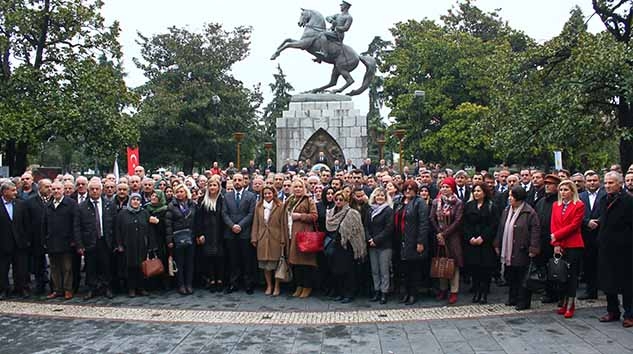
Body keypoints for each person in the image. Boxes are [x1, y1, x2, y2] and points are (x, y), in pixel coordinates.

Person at [495, 186, 541, 311]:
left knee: (522, 277)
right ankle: (512, 298)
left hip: (522, 249)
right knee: (511, 275)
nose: (509, 198)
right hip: (508, 249)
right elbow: (501, 228)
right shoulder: (506, 210)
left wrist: (533, 248)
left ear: (519, 198)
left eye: (512, 196)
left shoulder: (529, 212)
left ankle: (523, 301)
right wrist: (497, 244)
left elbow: (535, 231)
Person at [597, 172, 633, 327]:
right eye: (605, 183)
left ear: (620, 184)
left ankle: (629, 314)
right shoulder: (604, 200)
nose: (607, 186)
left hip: (624, 249)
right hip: (606, 248)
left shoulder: (628, 201)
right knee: (608, 282)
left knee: (627, 284)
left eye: (611, 183)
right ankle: (612, 311)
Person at [550, 180, 585, 318]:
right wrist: (556, 243)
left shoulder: (579, 205)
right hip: (559, 244)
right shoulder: (555, 205)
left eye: (566, 189)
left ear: (572, 191)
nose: (563, 192)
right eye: (561, 190)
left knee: (571, 276)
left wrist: (556, 235)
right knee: (561, 275)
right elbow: (553, 223)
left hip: (573, 244)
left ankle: (570, 304)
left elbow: (574, 225)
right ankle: (563, 301)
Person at [78, 180, 116, 300]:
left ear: (101, 190)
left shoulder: (109, 204)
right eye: (92, 189)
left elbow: (114, 224)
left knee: (106, 265)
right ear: (88, 191)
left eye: (97, 189)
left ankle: (107, 287)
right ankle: (91, 288)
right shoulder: (82, 207)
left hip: (105, 240)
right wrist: (80, 244)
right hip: (89, 241)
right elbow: (77, 226)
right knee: (91, 266)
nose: (95, 191)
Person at [392, 180, 429, 305]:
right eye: (406, 189)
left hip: (413, 240)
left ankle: (413, 294)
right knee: (404, 270)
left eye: (411, 189)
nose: (408, 191)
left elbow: (424, 224)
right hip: (399, 240)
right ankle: (406, 292)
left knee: (414, 270)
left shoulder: (420, 202)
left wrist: (420, 242)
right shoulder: (399, 202)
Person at [326, 190, 366, 303]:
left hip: (348, 246)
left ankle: (349, 294)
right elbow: (329, 227)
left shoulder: (352, 213)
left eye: (341, 200)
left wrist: (357, 246)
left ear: (346, 201)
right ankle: (340, 292)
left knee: (349, 272)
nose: (338, 202)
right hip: (336, 246)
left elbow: (358, 231)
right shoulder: (331, 213)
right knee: (337, 271)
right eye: (336, 199)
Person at [462, 182, 498, 304]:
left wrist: (483, 237)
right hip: (472, 243)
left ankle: (484, 293)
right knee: (474, 268)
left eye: (479, 191)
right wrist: (470, 237)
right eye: (475, 191)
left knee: (485, 269)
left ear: (484, 192)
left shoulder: (491, 206)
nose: (476, 193)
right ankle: (476, 291)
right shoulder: (469, 206)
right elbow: (465, 224)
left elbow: (493, 225)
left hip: (485, 243)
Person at [44, 181, 80, 300]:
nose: (56, 191)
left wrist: (74, 240)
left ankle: (68, 289)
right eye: (53, 189)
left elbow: (75, 224)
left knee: (67, 268)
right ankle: (57, 289)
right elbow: (44, 224)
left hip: (67, 242)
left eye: (58, 189)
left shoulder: (71, 204)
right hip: (52, 242)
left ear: (63, 190)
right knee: (54, 268)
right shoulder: (48, 205)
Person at [430, 177, 464, 305]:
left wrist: (445, 234)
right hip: (439, 237)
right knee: (441, 263)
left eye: (447, 187)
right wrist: (439, 233)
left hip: (452, 237)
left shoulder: (458, 203)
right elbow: (431, 218)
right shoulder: (436, 202)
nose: (444, 189)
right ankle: (443, 289)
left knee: (453, 265)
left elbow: (458, 221)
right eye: (443, 187)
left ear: (452, 188)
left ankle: (454, 291)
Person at [222, 173, 257, 294]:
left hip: (245, 232)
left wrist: (240, 225)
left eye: (239, 180)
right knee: (233, 260)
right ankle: (233, 283)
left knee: (247, 260)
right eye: (235, 180)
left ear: (244, 182)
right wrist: (232, 226)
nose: (237, 182)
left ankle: (248, 284)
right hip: (230, 233)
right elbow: (224, 213)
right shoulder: (226, 196)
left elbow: (251, 214)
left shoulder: (251, 196)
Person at [114, 193, 154, 297]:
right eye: (133, 199)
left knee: (141, 267)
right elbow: (117, 230)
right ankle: (131, 288)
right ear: (130, 201)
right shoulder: (122, 214)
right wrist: (119, 244)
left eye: (138, 200)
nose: (135, 201)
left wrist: (150, 244)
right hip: (128, 245)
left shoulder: (144, 213)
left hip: (141, 245)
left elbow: (149, 230)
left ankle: (141, 287)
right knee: (130, 267)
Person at [285, 179, 319, 299]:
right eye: (296, 187)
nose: (298, 189)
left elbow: (315, 216)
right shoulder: (290, 200)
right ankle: (299, 285)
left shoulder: (309, 200)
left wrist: (300, 216)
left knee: (306, 263)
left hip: (305, 235)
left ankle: (307, 286)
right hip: (292, 234)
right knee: (296, 263)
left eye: (300, 186)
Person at [250, 186, 287, 296]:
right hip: (262, 237)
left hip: (275, 237)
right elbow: (255, 223)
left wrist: (283, 239)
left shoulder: (280, 206)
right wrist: (254, 237)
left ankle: (277, 286)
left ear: (274, 194)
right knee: (265, 264)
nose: (267, 195)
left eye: (269, 193)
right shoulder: (259, 206)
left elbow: (283, 224)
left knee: (276, 264)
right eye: (265, 194)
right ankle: (269, 285)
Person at [194, 178, 225, 292]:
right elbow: (198, 219)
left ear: (218, 187)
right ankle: (212, 280)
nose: (212, 187)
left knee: (220, 257)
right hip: (207, 232)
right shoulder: (202, 200)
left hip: (219, 233)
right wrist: (200, 234)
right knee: (209, 257)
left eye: (214, 185)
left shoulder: (222, 199)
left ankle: (220, 280)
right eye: (210, 185)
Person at [578, 170, 605, 300]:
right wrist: (587, 222)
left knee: (602, 263)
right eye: (589, 181)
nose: (592, 183)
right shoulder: (580, 196)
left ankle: (605, 288)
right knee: (588, 264)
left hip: (601, 233)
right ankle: (590, 291)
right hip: (586, 234)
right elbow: (577, 214)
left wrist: (598, 221)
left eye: (594, 180)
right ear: (585, 183)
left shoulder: (605, 195)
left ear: (599, 181)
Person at [0, 181, 30, 299]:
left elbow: (26, 224)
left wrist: (27, 239)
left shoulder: (21, 204)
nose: (15, 193)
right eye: (12, 190)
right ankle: (3, 289)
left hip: (19, 243)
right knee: (2, 269)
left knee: (21, 268)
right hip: (3, 243)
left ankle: (21, 288)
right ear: (4, 192)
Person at [535, 174, 561, 304]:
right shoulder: (541, 201)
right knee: (544, 267)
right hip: (543, 241)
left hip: (556, 241)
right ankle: (548, 291)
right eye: (546, 184)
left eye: (550, 184)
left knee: (558, 269)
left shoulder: (560, 202)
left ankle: (559, 293)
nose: (547, 186)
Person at [166, 184, 197, 295]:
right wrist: (169, 240)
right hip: (178, 237)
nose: (179, 194)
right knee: (179, 262)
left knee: (190, 262)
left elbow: (196, 220)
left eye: (181, 191)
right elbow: (168, 225)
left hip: (191, 236)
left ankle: (189, 284)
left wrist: (197, 235)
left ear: (186, 192)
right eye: (177, 192)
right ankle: (181, 285)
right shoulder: (172, 206)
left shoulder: (192, 204)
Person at [365, 187, 394, 304]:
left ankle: (384, 292)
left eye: (382, 195)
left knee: (384, 270)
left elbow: (389, 228)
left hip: (384, 245)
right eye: (378, 195)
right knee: (375, 270)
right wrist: (369, 239)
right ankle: (376, 290)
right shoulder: (370, 210)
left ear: (386, 197)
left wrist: (376, 240)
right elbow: (366, 226)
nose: (380, 197)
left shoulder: (388, 210)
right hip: (372, 244)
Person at [145, 189, 170, 290]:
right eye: (152, 195)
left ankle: (164, 284)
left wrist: (158, 222)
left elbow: (167, 226)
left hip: (161, 240)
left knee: (162, 260)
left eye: (156, 196)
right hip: (150, 240)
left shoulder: (165, 210)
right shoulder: (146, 209)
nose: (154, 197)